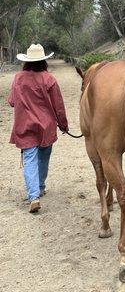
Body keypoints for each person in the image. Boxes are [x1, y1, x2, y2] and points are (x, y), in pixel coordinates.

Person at [8, 44, 68, 213]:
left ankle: (34, 196)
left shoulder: (18, 78)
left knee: (29, 159)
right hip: (46, 126)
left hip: (25, 125)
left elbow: (12, 101)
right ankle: (40, 187)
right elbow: (59, 106)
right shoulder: (49, 79)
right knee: (43, 157)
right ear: (44, 60)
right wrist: (63, 124)